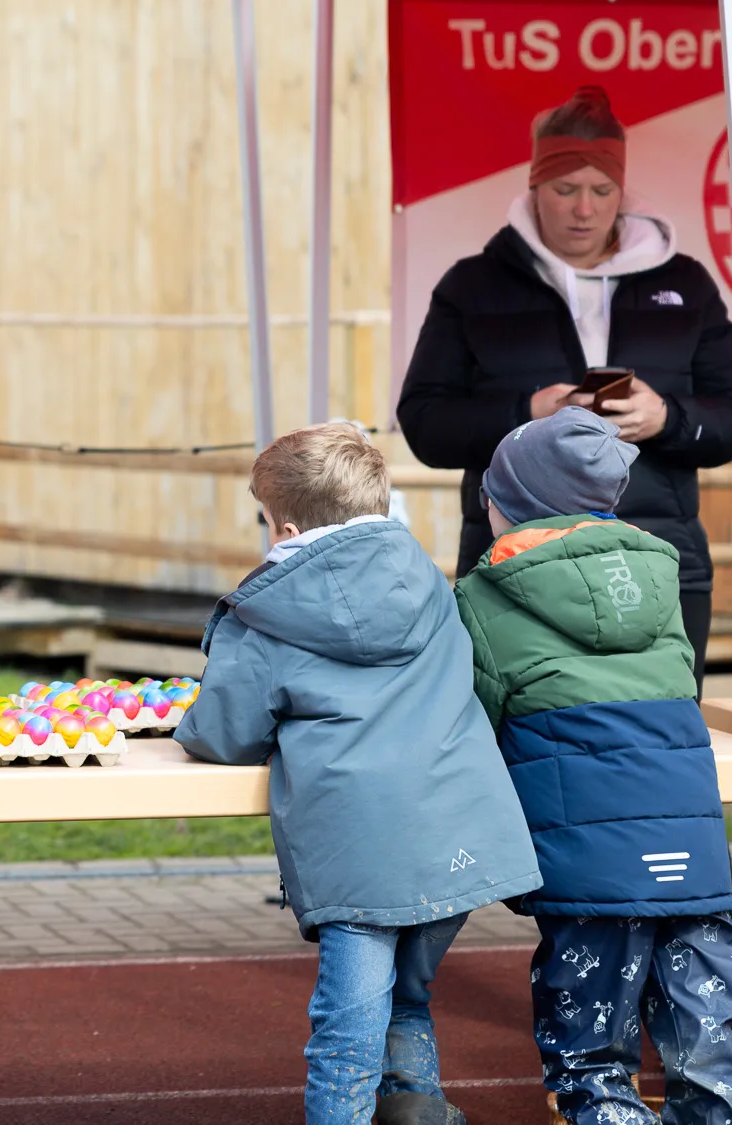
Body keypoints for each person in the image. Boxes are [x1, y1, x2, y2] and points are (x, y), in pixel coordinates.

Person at [175, 423, 539, 1125]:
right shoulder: (431, 583)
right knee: (405, 995)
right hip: (460, 828)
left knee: (346, 1031)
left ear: (284, 527)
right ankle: (415, 1107)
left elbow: (224, 734)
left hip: (358, 845)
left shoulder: (265, 611)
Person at [457, 408, 732, 1125]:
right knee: (711, 1049)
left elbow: (473, 722)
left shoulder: (485, 595)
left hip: (589, 865)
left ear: (514, 504)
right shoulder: (659, 576)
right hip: (690, 852)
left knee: (591, 1059)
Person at [397, 87, 732, 689]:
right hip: (513, 572)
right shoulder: (472, 286)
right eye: (564, 189)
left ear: (622, 191)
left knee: (660, 729)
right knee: (517, 736)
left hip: (658, 564)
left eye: (602, 190)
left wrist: (667, 418)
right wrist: (527, 411)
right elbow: (425, 424)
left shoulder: (686, 284)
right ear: (534, 186)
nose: (584, 209)